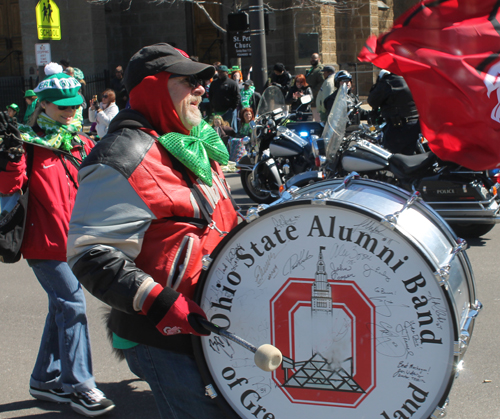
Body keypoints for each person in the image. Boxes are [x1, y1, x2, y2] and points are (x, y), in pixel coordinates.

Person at [67, 43, 239, 419]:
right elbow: (90, 252)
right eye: (189, 80)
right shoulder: (120, 154)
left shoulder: (195, 144)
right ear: (152, 87)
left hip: (213, 322)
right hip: (162, 334)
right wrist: (160, 302)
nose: (202, 88)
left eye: (203, 80)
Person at [0, 64, 114, 417]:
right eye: (63, 106)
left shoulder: (83, 142)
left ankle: (44, 378)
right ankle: (79, 386)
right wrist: (12, 159)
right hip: (43, 245)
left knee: (60, 307)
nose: (71, 112)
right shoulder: (27, 143)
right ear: (43, 106)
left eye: (75, 105)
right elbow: (8, 189)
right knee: (72, 303)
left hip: (78, 241)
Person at [368, 70, 421, 155]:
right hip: (415, 125)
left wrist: (379, 82)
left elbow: (372, 100)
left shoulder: (389, 82)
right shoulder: (411, 79)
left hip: (397, 129)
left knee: (391, 159)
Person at [209, 64, 240, 129]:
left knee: (227, 128)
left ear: (226, 72)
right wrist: (212, 106)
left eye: (222, 72)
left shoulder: (232, 83)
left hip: (228, 111)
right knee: (217, 128)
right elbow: (210, 95)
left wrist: (233, 108)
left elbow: (237, 97)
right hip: (217, 110)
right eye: (219, 72)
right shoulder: (214, 83)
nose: (220, 73)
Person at [305, 53, 325, 121]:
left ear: (319, 59)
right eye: (311, 58)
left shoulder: (320, 69)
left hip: (316, 99)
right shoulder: (312, 69)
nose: (312, 60)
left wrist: (312, 92)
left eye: (315, 58)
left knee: (318, 120)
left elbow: (322, 83)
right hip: (310, 99)